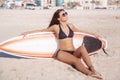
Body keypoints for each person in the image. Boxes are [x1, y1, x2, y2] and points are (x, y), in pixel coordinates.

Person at [21, 9, 103, 79]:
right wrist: (28, 33)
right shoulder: (55, 27)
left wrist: (94, 34)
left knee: (82, 48)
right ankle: (90, 74)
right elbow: (42, 31)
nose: (66, 15)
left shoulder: (71, 26)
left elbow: (81, 31)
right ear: (58, 18)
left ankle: (92, 69)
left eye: (66, 13)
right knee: (77, 61)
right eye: (63, 14)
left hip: (73, 51)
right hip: (62, 53)